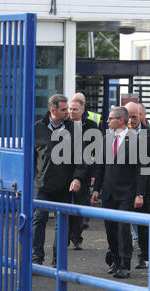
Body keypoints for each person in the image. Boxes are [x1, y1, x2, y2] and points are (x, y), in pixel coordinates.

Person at [91, 106, 146, 279]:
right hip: (108, 193)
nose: (107, 121)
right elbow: (100, 167)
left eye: (110, 118)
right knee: (110, 230)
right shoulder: (106, 139)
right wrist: (96, 190)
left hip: (126, 193)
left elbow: (140, 170)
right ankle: (115, 260)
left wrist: (140, 194)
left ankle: (124, 264)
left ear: (120, 120)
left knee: (123, 229)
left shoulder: (136, 141)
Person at [33, 94, 87, 266]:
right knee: (38, 219)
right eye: (64, 110)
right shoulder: (37, 128)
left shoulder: (74, 130)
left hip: (65, 186)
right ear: (52, 110)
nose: (68, 113)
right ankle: (36, 257)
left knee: (61, 224)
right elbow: (30, 158)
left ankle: (58, 261)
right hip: (43, 185)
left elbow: (81, 158)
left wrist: (77, 178)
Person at [124, 102, 150, 269]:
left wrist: (142, 191)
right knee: (121, 223)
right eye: (128, 117)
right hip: (124, 186)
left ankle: (145, 256)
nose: (131, 121)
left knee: (142, 224)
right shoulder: (120, 133)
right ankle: (121, 257)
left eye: (134, 117)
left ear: (141, 116)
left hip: (144, 185)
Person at [67, 97, 99, 249]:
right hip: (66, 172)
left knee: (80, 205)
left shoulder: (91, 126)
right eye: (70, 109)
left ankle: (77, 238)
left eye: (74, 109)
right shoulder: (64, 126)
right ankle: (64, 238)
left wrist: (93, 175)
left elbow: (96, 152)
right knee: (65, 205)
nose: (71, 112)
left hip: (85, 172)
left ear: (82, 110)